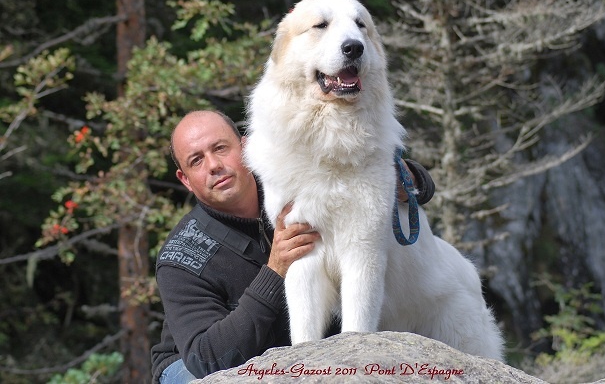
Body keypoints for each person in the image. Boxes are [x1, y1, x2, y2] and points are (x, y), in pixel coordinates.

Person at [150, 110, 435, 383]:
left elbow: (372, 170)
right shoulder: (180, 258)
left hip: (289, 350)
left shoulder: (286, 178)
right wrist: (275, 271)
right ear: (185, 180)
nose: (214, 165)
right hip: (190, 367)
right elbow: (208, 360)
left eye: (221, 148)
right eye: (197, 160)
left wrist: (408, 181)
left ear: (246, 146)